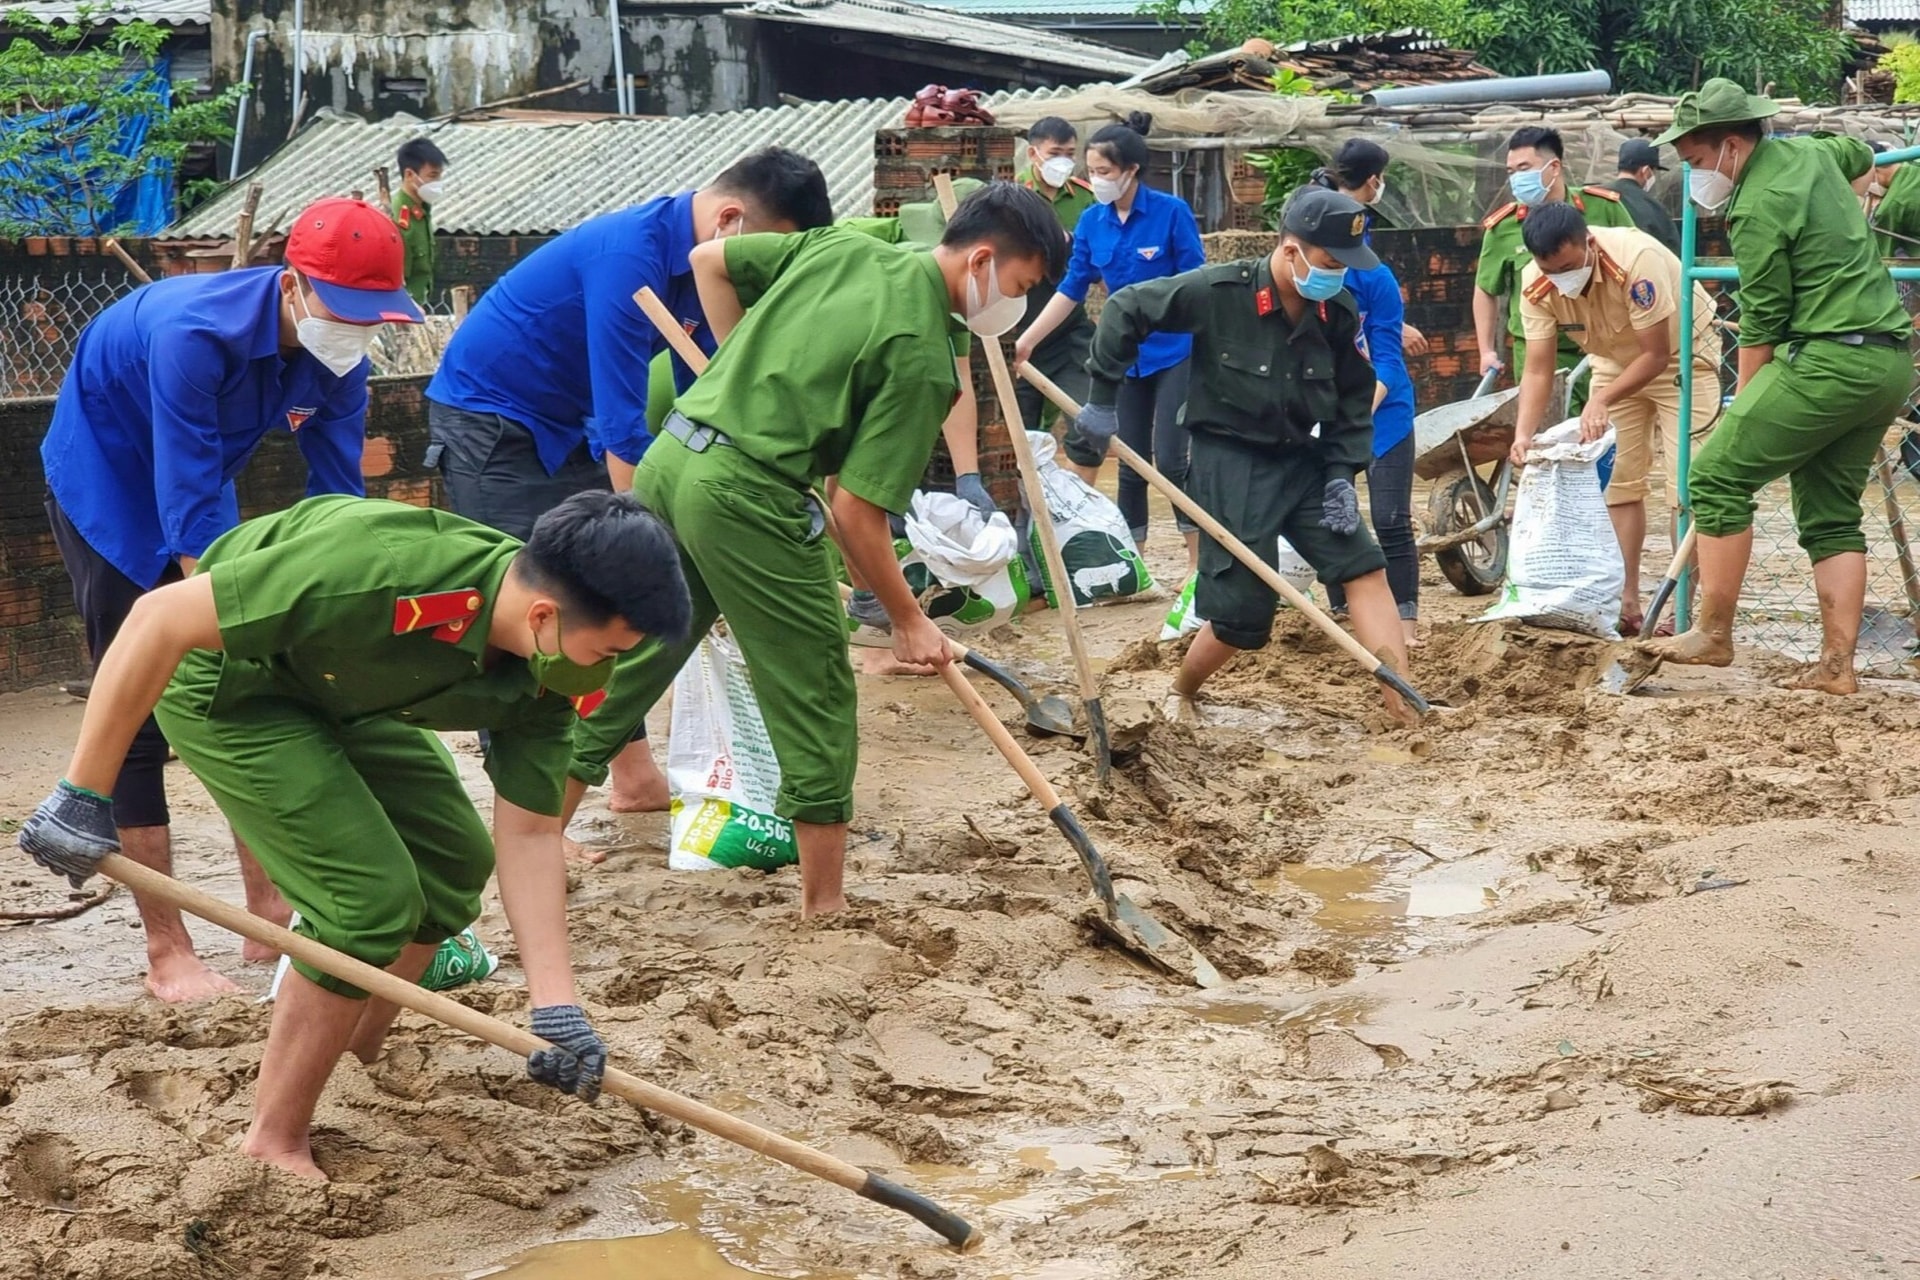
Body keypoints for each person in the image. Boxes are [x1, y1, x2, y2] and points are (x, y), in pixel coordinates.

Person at [18, 491, 689, 1180]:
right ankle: (273, 1140)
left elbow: (532, 835)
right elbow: (157, 616)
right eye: (608, 650)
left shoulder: (546, 675)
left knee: (453, 866)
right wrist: (82, 794)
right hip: (234, 686)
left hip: (346, 691)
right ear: (545, 615)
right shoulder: (385, 568)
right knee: (366, 902)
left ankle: (346, 1061)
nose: (607, 670)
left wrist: (557, 1006)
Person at [565, 184, 1068, 918]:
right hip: (743, 496)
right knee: (816, 688)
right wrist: (907, 619)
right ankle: (825, 903)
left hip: (674, 456)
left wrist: (738, 372)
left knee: (636, 649)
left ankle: (537, 826)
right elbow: (856, 514)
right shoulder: (923, 357)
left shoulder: (846, 246)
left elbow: (710, 259)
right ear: (984, 259)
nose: (1014, 305)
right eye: (1021, 286)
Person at [38, 196, 423, 1002]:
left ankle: (269, 906)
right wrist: (233, 619)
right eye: (342, 310)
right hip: (108, 484)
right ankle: (166, 949)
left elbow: (339, 500)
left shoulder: (338, 355)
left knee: (254, 682)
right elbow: (189, 506)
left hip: (196, 481)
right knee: (146, 693)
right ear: (291, 285)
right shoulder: (195, 335)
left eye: (371, 316)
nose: (356, 329)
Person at [425, 147, 831, 827]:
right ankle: (526, 828)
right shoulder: (630, 257)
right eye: (767, 252)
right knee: (524, 614)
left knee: (601, 605)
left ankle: (633, 776)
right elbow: (624, 428)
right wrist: (669, 549)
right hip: (492, 424)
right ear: (731, 219)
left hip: (565, 421)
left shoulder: (700, 265)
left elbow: (706, 394)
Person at [1072, 186, 1413, 725]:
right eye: (1330, 262)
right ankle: (1181, 690)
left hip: (1304, 460)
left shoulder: (1336, 312)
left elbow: (1352, 399)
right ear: (1291, 249)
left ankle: (1405, 706)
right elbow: (1124, 308)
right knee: (1243, 614)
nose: (1339, 275)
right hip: (1229, 461)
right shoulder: (1218, 292)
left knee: (1364, 568)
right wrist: (1101, 400)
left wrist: (1342, 473)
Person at [1644, 79, 1913, 692]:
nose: (1693, 177)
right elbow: (1861, 156)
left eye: (1695, 161)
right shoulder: (1813, 152)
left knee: (1714, 476)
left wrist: (1747, 401)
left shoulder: (1755, 206)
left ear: (1732, 146)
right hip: (1888, 363)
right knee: (1831, 514)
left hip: (1828, 363)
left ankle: (1713, 634)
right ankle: (1837, 669)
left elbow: (1762, 323)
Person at [1506, 203, 1722, 633]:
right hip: (1613, 364)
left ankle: (1684, 612)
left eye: (1567, 267)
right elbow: (1537, 368)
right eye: (1550, 269)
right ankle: (1626, 604)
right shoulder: (1536, 282)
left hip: (1684, 359)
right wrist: (1523, 433)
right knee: (1617, 485)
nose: (1560, 278)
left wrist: (1600, 398)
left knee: (1690, 486)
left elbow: (1656, 355)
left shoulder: (1635, 260)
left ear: (1588, 242)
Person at [1015, 112, 1205, 570]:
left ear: (1131, 171)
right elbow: (1071, 288)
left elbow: (1199, 282)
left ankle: (1201, 568)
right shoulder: (1092, 223)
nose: (1095, 180)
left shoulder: (1170, 213)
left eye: (1103, 172)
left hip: (1175, 351)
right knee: (1131, 461)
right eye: (1092, 171)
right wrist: (1026, 341)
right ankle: (1132, 567)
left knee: (1173, 461)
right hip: (1125, 355)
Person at [1311, 140, 1422, 648]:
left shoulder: (1374, 277)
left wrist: (1354, 411)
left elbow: (1387, 360)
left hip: (1384, 410)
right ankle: (1344, 618)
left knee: (1389, 519)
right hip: (1323, 414)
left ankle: (1406, 627)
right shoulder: (1304, 283)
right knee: (1333, 518)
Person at [1474, 126, 1636, 412]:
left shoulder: (1603, 208)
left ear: (1554, 167)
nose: (1516, 179)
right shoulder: (1503, 228)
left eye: (1524, 167)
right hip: (1543, 350)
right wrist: (1486, 350)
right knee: (1550, 435)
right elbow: (1486, 289)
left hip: (1609, 345)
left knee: (1613, 431)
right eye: (1511, 171)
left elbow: (1634, 263)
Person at [1011, 117, 1098, 436]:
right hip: (1018, 321)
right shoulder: (1011, 196)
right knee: (1020, 431)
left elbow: (1097, 257)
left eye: (1070, 153)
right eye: (1055, 152)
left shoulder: (1086, 198)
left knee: (1087, 417)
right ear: (1033, 154)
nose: (1063, 161)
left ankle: (1078, 482)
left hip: (1067, 328)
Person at [393, 136, 447, 306]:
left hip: (422, 304)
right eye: (432, 176)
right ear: (410, 174)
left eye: (439, 176)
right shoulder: (399, 218)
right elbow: (397, 278)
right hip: (405, 307)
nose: (437, 183)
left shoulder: (422, 210)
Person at [1606, 139, 1679, 254]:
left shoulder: (1596, 195)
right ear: (1645, 171)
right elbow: (1673, 251)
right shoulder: (1654, 207)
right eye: (1654, 171)